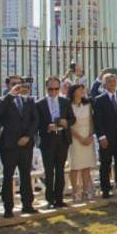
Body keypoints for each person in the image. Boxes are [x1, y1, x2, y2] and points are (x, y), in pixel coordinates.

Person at [0, 74, 39, 217]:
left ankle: (27, 204)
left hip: (26, 144)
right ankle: (8, 208)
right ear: (7, 85)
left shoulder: (29, 100)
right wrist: (10, 96)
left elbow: (35, 120)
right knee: (8, 176)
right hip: (9, 144)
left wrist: (27, 136)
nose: (17, 86)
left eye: (19, 83)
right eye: (14, 84)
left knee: (25, 174)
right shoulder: (2, 101)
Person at [36, 76, 76, 208]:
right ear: (46, 88)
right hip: (48, 140)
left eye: (56, 89)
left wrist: (66, 122)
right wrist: (47, 127)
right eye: (50, 89)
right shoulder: (40, 104)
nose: (53, 92)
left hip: (62, 139)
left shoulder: (65, 102)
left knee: (60, 170)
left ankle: (59, 198)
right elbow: (36, 124)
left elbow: (72, 119)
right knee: (49, 171)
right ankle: (49, 199)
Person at [93, 73, 117, 197]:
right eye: (109, 81)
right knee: (105, 164)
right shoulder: (99, 100)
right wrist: (102, 137)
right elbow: (97, 121)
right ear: (104, 84)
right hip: (107, 138)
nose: (112, 83)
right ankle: (105, 189)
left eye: (114, 81)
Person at [67, 84, 97, 201]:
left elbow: (91, 121)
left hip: (87, 136)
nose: (82, 91)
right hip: (75, 137)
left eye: (83, 89)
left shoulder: (88, 104)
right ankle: (75, 192)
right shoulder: (68, 105)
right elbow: (69, 126)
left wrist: (90, 136)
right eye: (80, 89)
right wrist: (80, 138)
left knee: (86, 166)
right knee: (75, 166)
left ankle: (85, 191)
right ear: (74, 92)